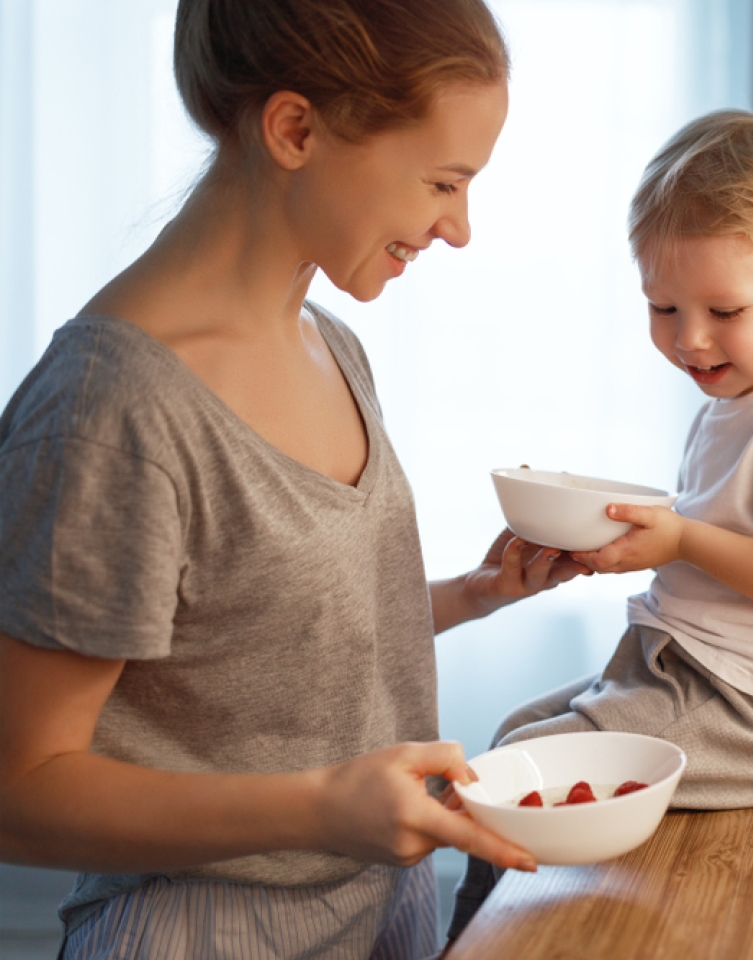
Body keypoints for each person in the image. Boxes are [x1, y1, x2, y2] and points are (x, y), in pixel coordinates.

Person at [0, 1, 590, 956]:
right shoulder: (113, 411)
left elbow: (260, 649)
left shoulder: (334, 346)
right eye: (444, 181)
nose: (460, 227)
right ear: (295, 129)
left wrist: (475, 594)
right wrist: (320, 808)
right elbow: (18, 790)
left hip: (380, 902)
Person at [450, 108, 753, 938]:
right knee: (509, 738)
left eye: (723, 311)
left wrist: (680, 539)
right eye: (662, 308)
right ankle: (475, 934)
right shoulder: (736, 403)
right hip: (697, 676)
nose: (690, 340)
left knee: (508, 778)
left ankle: (473, 944)